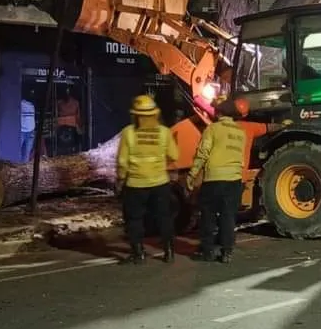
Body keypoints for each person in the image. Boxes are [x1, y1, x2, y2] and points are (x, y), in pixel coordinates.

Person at [186, 98, 287, 263]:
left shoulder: (213, 129)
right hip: (234, 180)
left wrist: (192, 175)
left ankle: (207, 251)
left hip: (215, 179)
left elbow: (202, 153)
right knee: (228, 216)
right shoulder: (241, 132)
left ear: (219, 113)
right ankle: (227, 252)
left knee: (208, 216)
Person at [116, 95, 179, 264]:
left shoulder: (128, 132)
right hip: (160, 183)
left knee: (134, 219)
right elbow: (174, 155)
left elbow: (122, 161)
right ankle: (169, 251)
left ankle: (138, 253)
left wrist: (121, 179)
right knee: (164, 217)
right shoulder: (164, 132)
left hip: (135, 185)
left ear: (136, 115)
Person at [20, 96, 36, 162]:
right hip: (27, 131)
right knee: (26, 153)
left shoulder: (29, 105)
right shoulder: (31, 105)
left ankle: (22, 168)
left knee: (25, 153)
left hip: (28, 131)